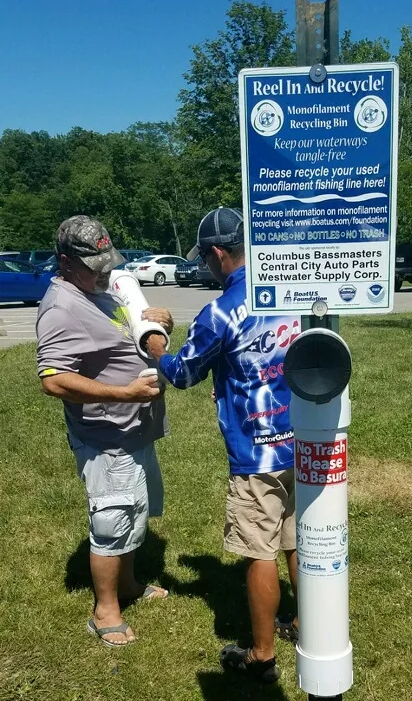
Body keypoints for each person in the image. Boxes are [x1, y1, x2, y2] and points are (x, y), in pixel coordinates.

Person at [145, 207, 300, 683]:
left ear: (216, 254)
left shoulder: (219, 313)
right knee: (299, 540)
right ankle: (307, 623)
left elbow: (183, 372)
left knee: (261, 550)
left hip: (256, 451)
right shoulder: (292, 287)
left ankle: (263, 655)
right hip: (305, 441)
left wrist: (153, 341)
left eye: (205, 260)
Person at [36, 215, 173, 647]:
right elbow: (53, 379)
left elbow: (130, 337)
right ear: (65, 262)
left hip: (132, 431)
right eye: (95, 266)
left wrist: (158, 322)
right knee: (113, 520)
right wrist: (125, 393)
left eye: (107, 262)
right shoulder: (62, 308)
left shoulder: (97, 291)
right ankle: (105, 611)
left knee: (134, 512)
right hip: (106, 436)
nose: (106, 272)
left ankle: (128, 584)